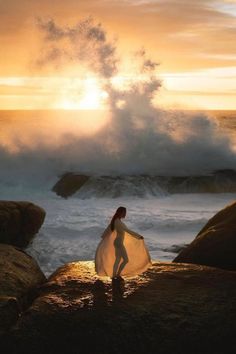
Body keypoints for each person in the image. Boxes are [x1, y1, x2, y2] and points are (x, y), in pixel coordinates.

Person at [95, 206, 151, 278]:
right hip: (119, 243)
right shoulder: (118, 222)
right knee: (125, 260)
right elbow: (128, 231)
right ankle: (116, 275)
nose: (125, 214)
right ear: (120, 212)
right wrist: (138, 236)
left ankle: (115, 275)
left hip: (118, 242)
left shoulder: (116, 221)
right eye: (124, 212)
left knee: (118, 259)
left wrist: (103, 238)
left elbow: (106, 232)